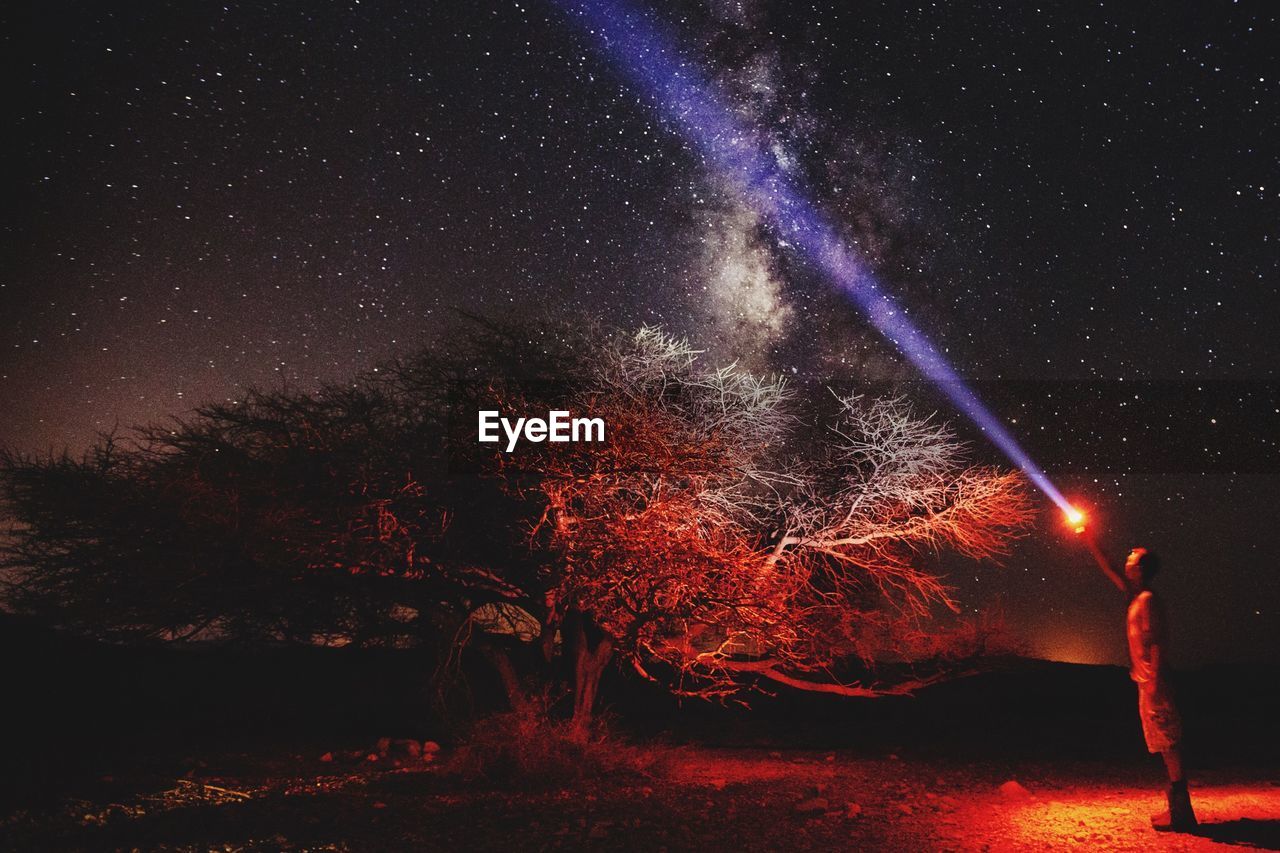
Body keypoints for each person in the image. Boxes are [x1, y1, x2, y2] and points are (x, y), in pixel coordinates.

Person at [1090, 543, 1197, 832]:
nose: (1127, 558)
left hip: (1154, 681)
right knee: (1162, 743)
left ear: (1139, 568)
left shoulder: (1147, 599)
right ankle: (1177, 810)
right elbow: (1110, 567)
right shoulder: (1136, 595)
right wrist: (1089, 538)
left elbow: (1158, 641)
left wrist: (1155, 682)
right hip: (1147, 680)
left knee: (1169, 742)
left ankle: (1182, 813)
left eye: (1132, 557)